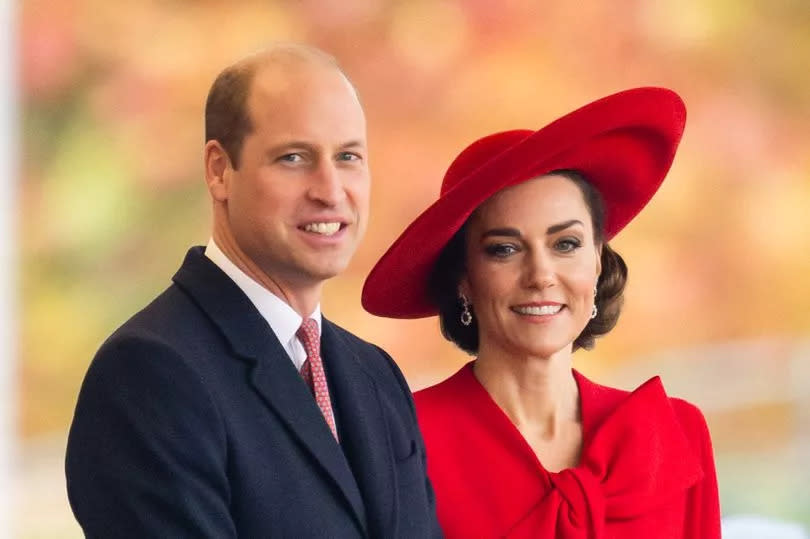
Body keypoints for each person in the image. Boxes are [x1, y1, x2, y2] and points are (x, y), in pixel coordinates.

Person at [65, 44, 441, 538]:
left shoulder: (375, 375)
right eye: (294, 157)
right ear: (219, 170)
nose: (330, 190)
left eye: (348, 156)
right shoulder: (150, 374)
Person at [362, 87, 721, 538]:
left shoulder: (673, 434)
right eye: (505, 249)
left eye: (565, 244)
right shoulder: (400, 443)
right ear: (463, 278)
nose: (541, 275)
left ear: (597, 262)